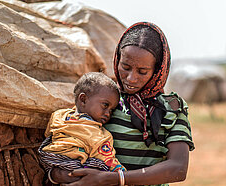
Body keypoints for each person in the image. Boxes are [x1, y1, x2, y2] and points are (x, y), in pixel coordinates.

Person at [49, 22, 195, 186]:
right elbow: (73, 141)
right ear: (117, 60)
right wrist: (58, 174)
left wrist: (113, 179)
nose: (131, 78)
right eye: (125, 67)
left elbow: (178, 169)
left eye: (142, 71)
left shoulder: (172, 109)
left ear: (158, 70)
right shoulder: (104, 101)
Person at [38, 72, 126, 185]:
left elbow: (48, 134)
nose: (108, 113)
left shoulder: (59, 115)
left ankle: (57, 176)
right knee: (102, 170)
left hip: (49, 159)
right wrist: (121, 173)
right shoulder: (98, 134)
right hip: (75, 164)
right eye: (105, 105)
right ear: (83, 99)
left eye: (111, 110)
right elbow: (107, 159)